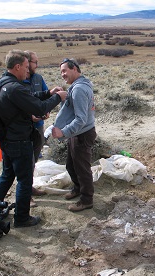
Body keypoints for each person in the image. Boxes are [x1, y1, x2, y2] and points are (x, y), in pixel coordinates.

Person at [0, 49, 66, 228]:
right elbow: (38, 108)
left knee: (7, 175)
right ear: (17, 66)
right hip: (19, 140)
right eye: (25, 66)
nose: (27, 70)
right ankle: (22, 218)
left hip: (7, 140)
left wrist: (47, 93)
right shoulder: (15, 88)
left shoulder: (3, 83)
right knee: (24, 180)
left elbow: (29, 99)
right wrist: (57, 97)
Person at [51, 57, 96, 212]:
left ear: (75, 69)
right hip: (77, 133)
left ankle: (86, 200)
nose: (62, 74)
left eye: (65, 70)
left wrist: (63, 131)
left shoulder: (78, 89)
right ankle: (78, 188)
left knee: (82, 168)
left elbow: (81, 119)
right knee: (71, 165)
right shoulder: (78, 86)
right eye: (61, 72)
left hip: (81, 134)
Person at [24, 50, 49, 202]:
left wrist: (46, 110)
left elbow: (45, 95)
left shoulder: (38, 78)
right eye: (35, 62)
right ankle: (25, 193)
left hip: (39, 126)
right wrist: (29, 116)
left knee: (34, 158)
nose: (37, 65)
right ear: (26, 62)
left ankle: (30, 187)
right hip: (24, 128)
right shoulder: (18, 80)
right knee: (25, 161)